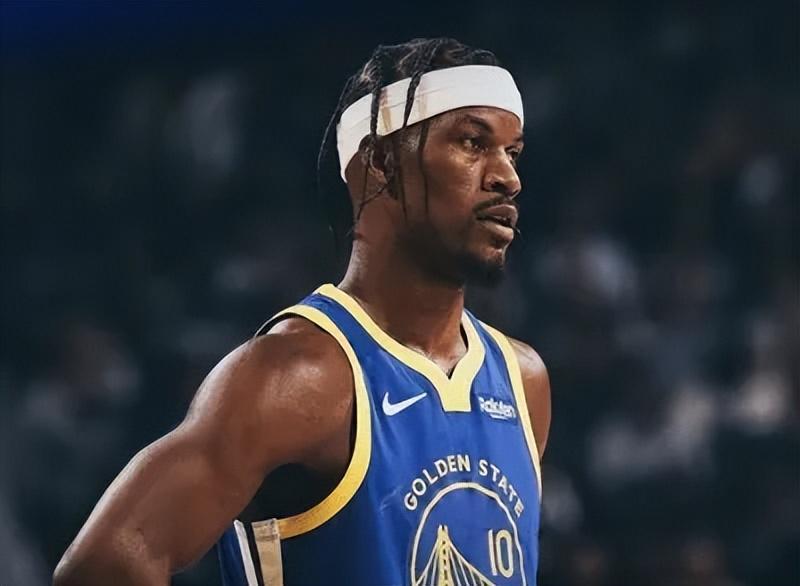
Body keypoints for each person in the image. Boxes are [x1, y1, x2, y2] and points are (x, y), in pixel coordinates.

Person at [54, 37, 551, 586]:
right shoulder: (299, 374)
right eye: (472, 143)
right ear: (381, 162)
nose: (508, 177)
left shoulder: (523, 380)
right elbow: (105, 563)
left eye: (513, 152)